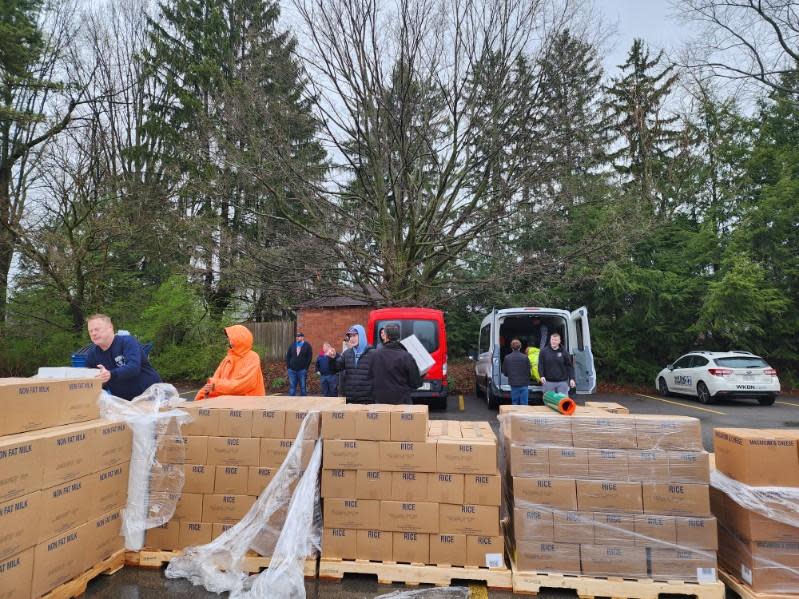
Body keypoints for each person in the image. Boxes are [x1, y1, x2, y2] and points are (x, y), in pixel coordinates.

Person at [85, 313, 161, 400]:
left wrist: (110, 374)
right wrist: (101, 381)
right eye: (90, 331)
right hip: (124, 403)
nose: (93, 333)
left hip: (152, 396)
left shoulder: (127, 342)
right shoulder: (92, 354)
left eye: (97, 329)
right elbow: (90, 381)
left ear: (110, 327)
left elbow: (133, 368)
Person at [196, 325, 265, 400]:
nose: (228, 340)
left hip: (249, 406)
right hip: (227, 404)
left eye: (230, 337)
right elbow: (212, 383)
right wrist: (199, 398)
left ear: (239, 339)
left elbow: (242, 385)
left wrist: (216, 386)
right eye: (228, 338)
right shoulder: (227, 359)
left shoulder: (252, 357)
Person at [368, 324, 422, 404]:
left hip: (381, 403)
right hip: (402, 403)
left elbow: (370, 377)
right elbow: (416, 383)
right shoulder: (406, 356)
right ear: (398, 337)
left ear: (386, 336)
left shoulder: (375, 355)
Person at [327, 324, 375, 404]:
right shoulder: (347, 353)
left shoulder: (373, 353)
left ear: (362, 336)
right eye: (350, 336)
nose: (352, 339)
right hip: (350, 399)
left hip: (368, 400)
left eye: (354, 336)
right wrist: (332, 359)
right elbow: (335, 369)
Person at [502, 338, 531, 405]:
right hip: (524, 383)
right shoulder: (525, 357)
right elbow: (528, 371)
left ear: (511, 347)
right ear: (520, 347)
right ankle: (523, 415)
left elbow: (505, 372)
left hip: (513, 383)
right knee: (524, 403)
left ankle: (516, 415)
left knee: (515, 403)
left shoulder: (507, 357)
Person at [285, 332, 312, 396]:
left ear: (303, 337)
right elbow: (288, 356)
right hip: (292, 370)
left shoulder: (307, 346)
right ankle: (291, 402)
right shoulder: (292, 345)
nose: (297, 337)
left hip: (302, 370)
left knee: (303, 387)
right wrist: (288, 367)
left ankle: (303, 402)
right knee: (292, 386)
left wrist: (306, 368)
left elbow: (309, 357)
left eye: (299, 336)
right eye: (296, 336)